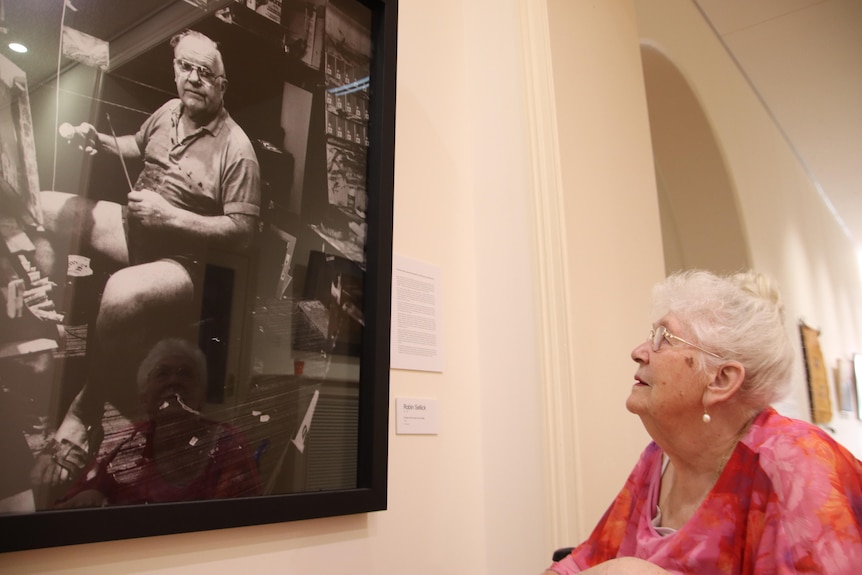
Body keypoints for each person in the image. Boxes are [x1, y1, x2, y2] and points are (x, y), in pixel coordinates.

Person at [31, 29, 261, 491]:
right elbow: (137, 145)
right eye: (185, 68)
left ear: (222, 84)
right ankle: (42, 330)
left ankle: (86, 408)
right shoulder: (168, 112)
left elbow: (243, 234)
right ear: (176, 70)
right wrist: (101, 141)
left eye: (205, 73)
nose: (193, 79)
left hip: (183, 263)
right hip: (135, 231)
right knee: (44, 207)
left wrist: (170, 216)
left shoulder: (239, 150)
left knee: (121, 291)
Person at [545, 270, 862, 574]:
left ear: (721, 379)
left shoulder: (796, 462)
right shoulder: (658, 458)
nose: (639, 352)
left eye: (663, 338)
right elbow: (581, 564)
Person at [57, 338, 260, 507]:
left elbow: (238, 521)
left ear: (201, 396)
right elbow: (68, 505)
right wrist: (90, 495)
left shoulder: (228, 444)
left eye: (185, 373)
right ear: (144, 396)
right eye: (162, 374)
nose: (174, 381)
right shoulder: (124, 442)